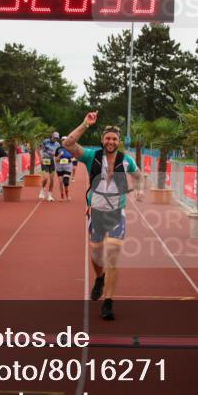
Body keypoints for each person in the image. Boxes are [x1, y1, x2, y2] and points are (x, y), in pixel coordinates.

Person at [62, 112, 143, 321]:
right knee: (97, 255)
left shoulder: (127, 161)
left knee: (113, 257)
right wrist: (85, 124)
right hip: (96, 213)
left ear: (119, 142)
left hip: (117, 213)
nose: (111, 141)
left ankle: (108, 302)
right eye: (108, 138)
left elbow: (138, 175)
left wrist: (138, 188)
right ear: (102, 140)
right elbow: (68, 144)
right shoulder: (91, 156)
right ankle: (100, 277)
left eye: (114, 139)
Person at [39, 131, 62, 201]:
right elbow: (39, 149)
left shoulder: (58, 144)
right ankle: (42, 190)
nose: (55, 139)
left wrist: (58, 156)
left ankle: (49, 195)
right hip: (45, 161)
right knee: (46, 178)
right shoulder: (46, 141)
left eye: (57, 138)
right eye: (54, 138)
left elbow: (58, 155)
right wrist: (40, 158)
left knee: (52, 179)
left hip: (52, 162)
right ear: (51, 136)